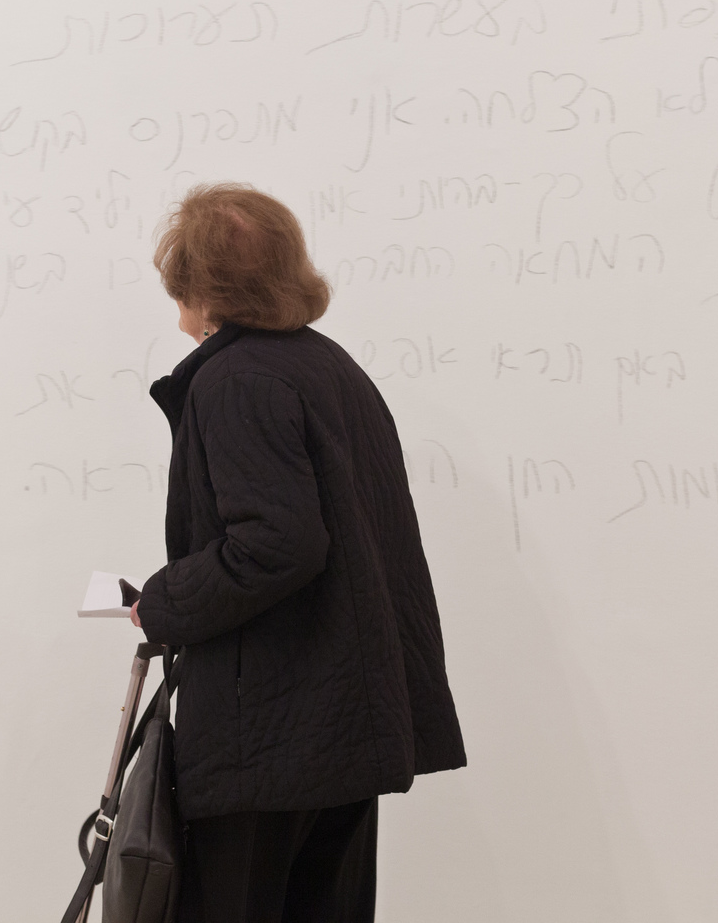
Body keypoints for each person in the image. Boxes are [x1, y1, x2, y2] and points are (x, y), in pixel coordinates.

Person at [130, 182, 466, 923]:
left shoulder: (235, 380)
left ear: (200, 286)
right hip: (347, 725)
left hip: (268, 737)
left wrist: (162, 602)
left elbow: (275, 544)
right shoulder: (329, 366)